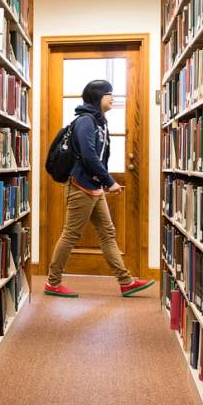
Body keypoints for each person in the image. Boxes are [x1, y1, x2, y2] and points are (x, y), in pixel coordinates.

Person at [44, 79, 155, 298]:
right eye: (109, 94)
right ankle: (52, 282)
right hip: (81, 186)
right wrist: (109, 181)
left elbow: (100, 156)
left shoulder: (100, 121)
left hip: (94, 186)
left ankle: (125, 282)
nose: (113, 97)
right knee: (71, 234)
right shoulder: (86, 121)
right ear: (97, 97)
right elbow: (89, 155)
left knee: (107, 234)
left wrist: (103, 181)